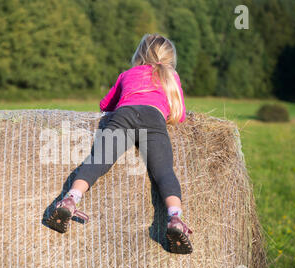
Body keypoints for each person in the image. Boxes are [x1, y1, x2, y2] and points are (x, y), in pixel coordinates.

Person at [47, 34, 193, 254]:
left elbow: (105, 105)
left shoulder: (127, 74)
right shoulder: (171, 77)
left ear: (139, 55)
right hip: (154, 120)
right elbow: (179, 115)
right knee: (163, 173)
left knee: (99, 161)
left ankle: (70, 200)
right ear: (170, 58)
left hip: (123, 117)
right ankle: (175, 219)